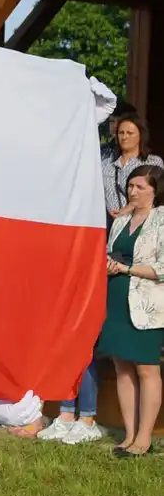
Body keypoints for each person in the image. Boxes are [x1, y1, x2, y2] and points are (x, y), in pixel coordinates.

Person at [94, 164, 164, 457]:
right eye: (130, 186)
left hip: (147, 304)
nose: (132, 191)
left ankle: (144, 438)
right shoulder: (121, 221)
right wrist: (110, 264)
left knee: (146, 368)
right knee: (122, 366)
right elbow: (111, 253)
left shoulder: (161, 220)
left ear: (154, 190)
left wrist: (126, 268)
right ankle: (129, 434)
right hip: (116, 297)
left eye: (139, 187)